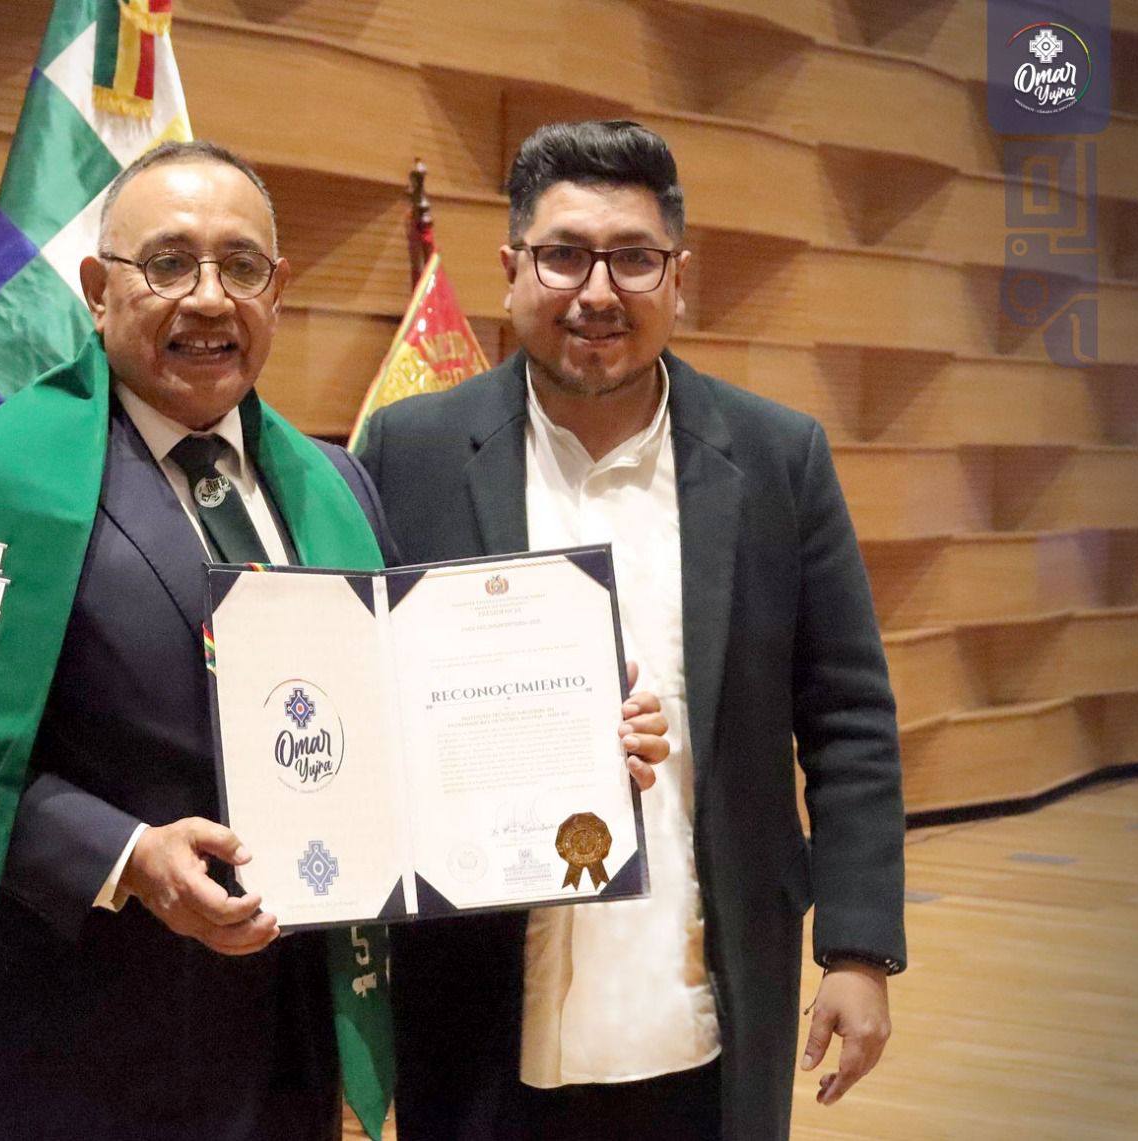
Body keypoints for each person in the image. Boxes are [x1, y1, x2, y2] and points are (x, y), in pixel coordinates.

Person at [0, 138, 674, 1140]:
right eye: (168, 264)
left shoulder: (336, 483)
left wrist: (577, 740)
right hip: (66, 1056)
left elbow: (406, 720)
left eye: (240, 267)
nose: (208, 298)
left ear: (276, 292)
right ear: (99, 290)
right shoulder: (0, 483)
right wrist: (127, 855)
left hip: (284, 1055)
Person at [358, 120, 907, 1141]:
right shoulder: (408, 450)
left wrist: (858, 948)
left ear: (679, 277)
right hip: (479, 1006)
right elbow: (369, 695)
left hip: (703, 1003)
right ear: (512, 270)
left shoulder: (777, 459)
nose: (597, 291)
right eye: (564, 255)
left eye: (634, 259)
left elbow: (850, 719)